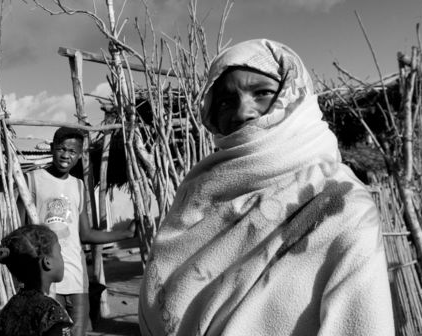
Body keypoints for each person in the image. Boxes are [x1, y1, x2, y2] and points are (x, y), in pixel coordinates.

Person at [139, 39, 394, 336]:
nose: (242, 112)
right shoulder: (200, 191)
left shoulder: (344, 206)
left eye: (262, 93)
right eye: (225, 101)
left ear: (296, 95)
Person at [27, 127, 134, 336]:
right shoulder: (32, 180)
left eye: (73, 151)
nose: (66, 155)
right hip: (46, 279)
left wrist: (125, 234)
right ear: (52, 148)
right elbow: (22, 233)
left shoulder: (77, 186)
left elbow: (85, 235)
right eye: (61, 149)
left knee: (78, 333)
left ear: (79, 155)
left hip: (76, 278)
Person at [0, 224, 73, 336]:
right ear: (47, 262)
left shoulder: (10, 307)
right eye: (59, 252)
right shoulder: (52, 312)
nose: (62, 258)